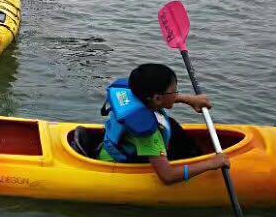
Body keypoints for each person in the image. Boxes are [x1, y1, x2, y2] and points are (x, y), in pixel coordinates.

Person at [98, 63, 230, 185]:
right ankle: (198, 158)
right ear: (157, 98)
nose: (177, 93)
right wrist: (211, 164)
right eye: (174, 91)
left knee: (170, 125)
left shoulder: (139, 95)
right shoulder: (149, 136)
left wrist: (189, 99)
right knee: (166, 129)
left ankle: (196, 155)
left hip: (118, 145)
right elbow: (167, 176)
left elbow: (162, 98)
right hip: (120, 163)